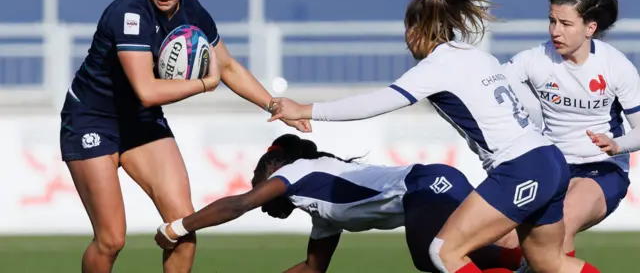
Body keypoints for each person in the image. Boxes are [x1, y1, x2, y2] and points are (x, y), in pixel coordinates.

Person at [265, 0, 601, 273]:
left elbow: (376, 103)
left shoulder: (437, 65)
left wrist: (306, 109)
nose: (407, 40)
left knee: (444, 252)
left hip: (520, 167)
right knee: (549, 263)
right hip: (550, 160)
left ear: (417, 29)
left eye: (407, 31)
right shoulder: (477, 55)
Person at [59, 0, 310, 273]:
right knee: (112, 239)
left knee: (183, 227)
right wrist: (206, 84)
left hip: (140, 122)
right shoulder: (129, 14)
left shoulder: (191, 10)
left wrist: (273, 105)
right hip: (92, 119)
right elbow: (147, 90)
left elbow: (229, 66)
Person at [155, 134, 524, 272]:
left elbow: (238, 205)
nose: (262, 197)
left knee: (430, 255)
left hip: (426, 186)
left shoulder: (297, 171)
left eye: (260, 181)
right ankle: (524, 261)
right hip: (436, 182)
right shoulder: (323, 214)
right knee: (452, 255)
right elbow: (313, 269)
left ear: (273, 168)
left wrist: (178, 226)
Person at [501, 0, 640, 272]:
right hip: (552, 169)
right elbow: (491, 90)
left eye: (565, 23)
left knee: (559, 226)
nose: (555, 31)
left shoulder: (616, 66)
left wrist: (617, 145)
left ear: (590, 28)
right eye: (552, 21)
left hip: (602, 169)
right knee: (503, 240)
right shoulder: (533, 60)